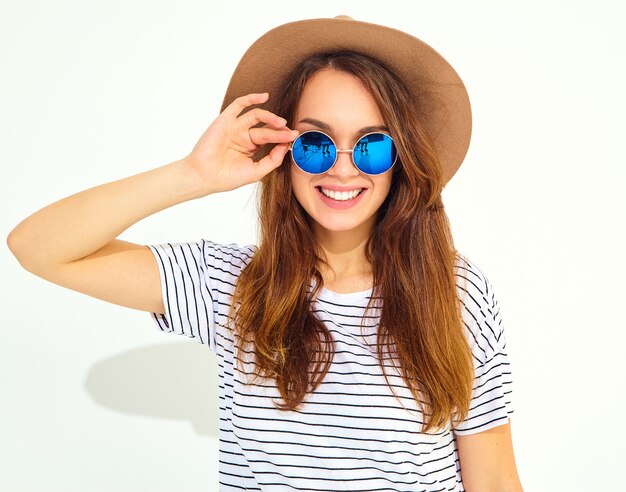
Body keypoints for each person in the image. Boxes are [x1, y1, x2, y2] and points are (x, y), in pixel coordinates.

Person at [7, 15, 523, 492]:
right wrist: (193, 175)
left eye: (371, 145)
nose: (342, 169)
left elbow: (495, 480)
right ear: (284, 151)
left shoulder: (456, 292)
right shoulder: (229, 284)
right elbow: (37, 248)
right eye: (316, 143)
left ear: (401, 158)